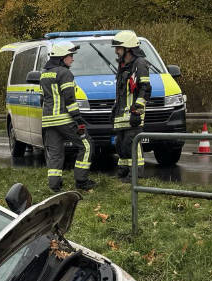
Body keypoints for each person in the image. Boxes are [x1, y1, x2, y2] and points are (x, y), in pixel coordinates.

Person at [40, 41, 96, 192]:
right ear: (62, 57)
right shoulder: (65, 73)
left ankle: (54, 185)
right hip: (64, 119)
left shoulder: (44, 74)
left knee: (56, 153)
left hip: (48, 120)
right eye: (70, 55)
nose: (72, 59)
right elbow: (70, 99)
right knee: (86, 145)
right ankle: (81, 181)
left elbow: (42, 99)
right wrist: (78, 119)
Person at [109, 30, 151, 179]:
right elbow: (121, 91)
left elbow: (145, 89)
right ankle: (124, 172)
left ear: (128, 48)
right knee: (121, 145)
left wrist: (137, 111)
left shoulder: (139, 64)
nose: (116, 51)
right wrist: (115, 109)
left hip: (133, 114)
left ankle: (136, 174)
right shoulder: (122, 65)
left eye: (118, 48)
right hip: (122, 115)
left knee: (132, 144)